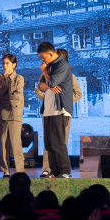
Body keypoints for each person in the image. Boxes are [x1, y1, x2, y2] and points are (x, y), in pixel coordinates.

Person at [35, 48, 82, 178]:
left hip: (61, 110)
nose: (44, 60)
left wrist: (64, 100)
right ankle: (52, 171)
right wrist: (49, 87)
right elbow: (40, 87)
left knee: (59, 142)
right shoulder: (48, 71)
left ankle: (65, 172)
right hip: (48, 110)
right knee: (49, 143)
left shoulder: (66, 71)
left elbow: (77, 94)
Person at [0, 54, 25, 178]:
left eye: (7, 63)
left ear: (14, 64)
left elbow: (16, 96)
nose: (4, 65)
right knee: (2, 142)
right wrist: (6, 85)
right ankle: (5, 170)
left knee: (16, 143)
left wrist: (4, 94)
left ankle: (20, 170)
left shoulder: (20, 78)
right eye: (3, 63)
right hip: (1, 112)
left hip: (15, 112)